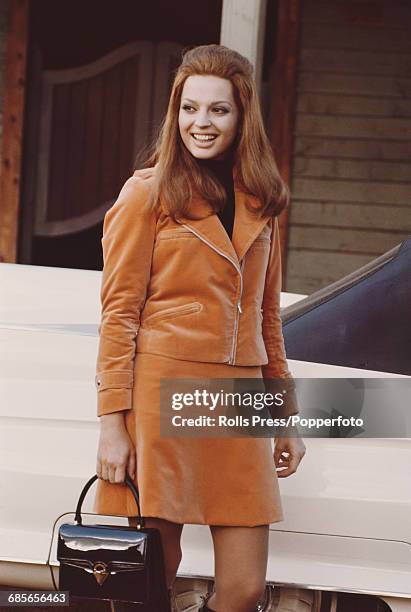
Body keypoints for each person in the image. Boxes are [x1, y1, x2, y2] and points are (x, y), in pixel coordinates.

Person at [93, 44, 306, 612]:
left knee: (243, 588)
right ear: (175, 112)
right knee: (153, 577)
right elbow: (118, 315)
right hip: (160, 395)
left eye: (218, 110)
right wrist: (113, 425)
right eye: (190, 109)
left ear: (242, 117)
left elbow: (267, 319)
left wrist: (284, 418)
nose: (201, 124)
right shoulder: (147, 193)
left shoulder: (262, 200)